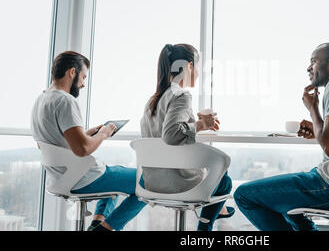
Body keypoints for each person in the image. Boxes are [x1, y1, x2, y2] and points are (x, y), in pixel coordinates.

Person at [233, 42, 329, 231]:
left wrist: (312, 109)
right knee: (285, 202)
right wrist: (318, 128)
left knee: (243, 195)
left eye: (314, 61)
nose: (308, 67)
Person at [31, 51, 146, 231]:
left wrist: (86, 133)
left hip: (59, 178)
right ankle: (104, 229)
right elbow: (83, 149)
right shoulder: (65, 101)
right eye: (83, 76)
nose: (83, 83)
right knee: (147, 182)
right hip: (81, 177)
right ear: (71, 72)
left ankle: (95, 224)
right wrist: (104, 134)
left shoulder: (41, 99)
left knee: (115, 174)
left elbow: (48, 142)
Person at [140, 43, 234, 231]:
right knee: (225, 181)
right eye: (198, 67)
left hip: (151, 182)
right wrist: (201, 125)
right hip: (177, 183)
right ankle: (204, 229)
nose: (199, 73)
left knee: (216, 180)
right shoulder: (181, 95)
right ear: (190, 66)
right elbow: (171, 134)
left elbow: (162, 132)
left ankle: (217, 211)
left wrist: (191, 119)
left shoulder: (154, 99)